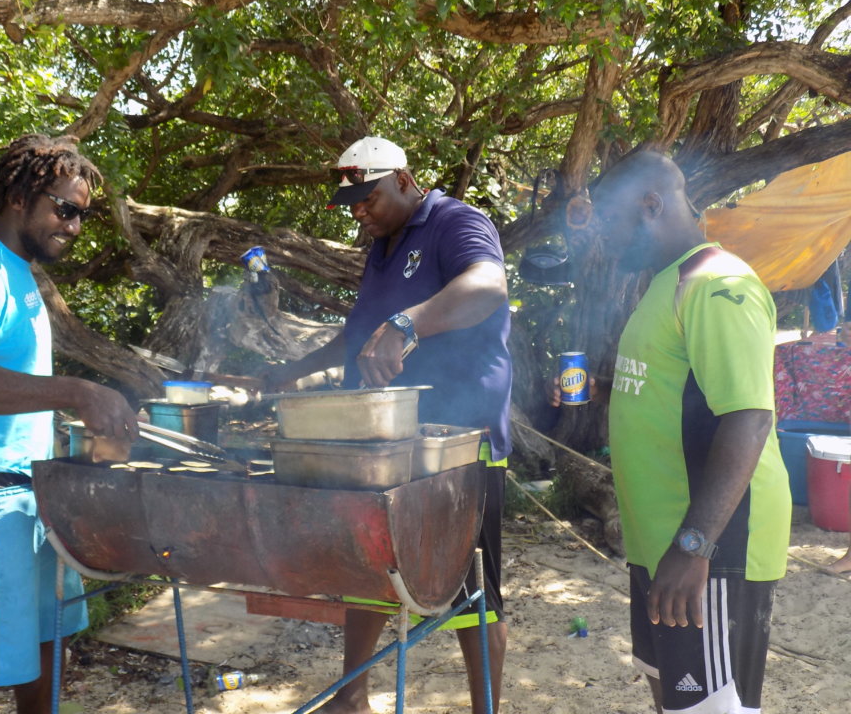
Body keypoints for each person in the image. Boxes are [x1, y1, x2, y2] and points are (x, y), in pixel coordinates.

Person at [264, 136, 513, 714]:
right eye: (350, 202)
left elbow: (487, 286)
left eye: (366, 197)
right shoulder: (382, 246)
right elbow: (359, 337)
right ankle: (351, 698)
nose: (358, 211)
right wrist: (289, 372)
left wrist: (408, 323)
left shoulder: (455, 221)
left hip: (460, 442)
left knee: (473, 592)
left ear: (403, 180)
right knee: (369, 567)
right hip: (388, 440)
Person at [0, 134, 139, 714]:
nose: (74, 225)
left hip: (28, 497)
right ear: (20, 196)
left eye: (82, 214)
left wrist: (72, 419)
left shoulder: (21, 275)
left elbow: (11, 389)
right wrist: (76, 388)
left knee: (46, 641)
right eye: (64, 208)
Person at [574, 150, 791, 713]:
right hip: (660, 542)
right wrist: (604, 388)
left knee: (713, 708)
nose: (607, 243)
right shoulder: (666, 283)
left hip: (710, 546)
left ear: (651, 205)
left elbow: (748, 415)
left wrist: (695, 545)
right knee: (678, 701)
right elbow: (679, 386)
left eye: (612, 226)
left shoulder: (718, 283)